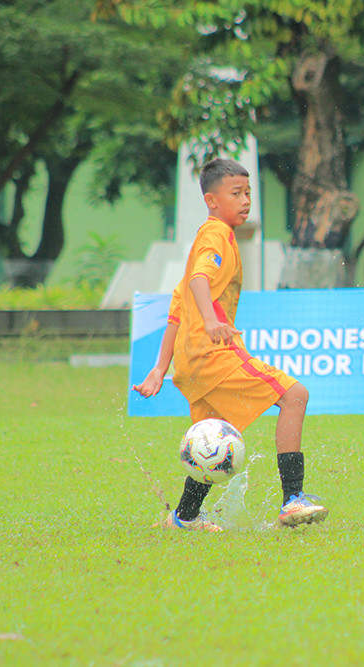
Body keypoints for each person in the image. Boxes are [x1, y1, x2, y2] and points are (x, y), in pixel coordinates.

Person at [133, 158, 328, 532]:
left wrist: (161, 367)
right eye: (235, 194)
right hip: (212, 355)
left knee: (213, 438)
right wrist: (211, 321)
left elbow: (177, 306)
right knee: (295, 396)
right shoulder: (216, 236)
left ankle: (184, 517)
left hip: (189, 366)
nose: (245, 201)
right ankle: (292, 501)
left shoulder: (207, 238)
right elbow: (198, 284)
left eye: (248, 193)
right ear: (211, 200)